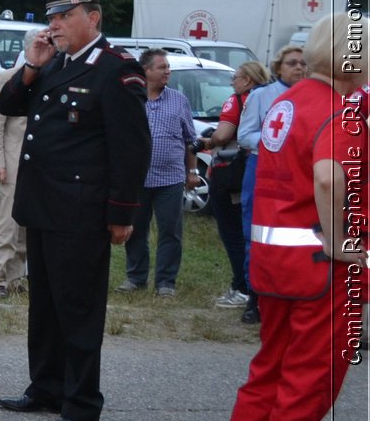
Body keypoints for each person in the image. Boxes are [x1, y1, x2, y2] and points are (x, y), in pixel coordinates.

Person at [210, 13, 367, 421]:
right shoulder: (338, 112)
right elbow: (328, 177)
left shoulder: (287, 101)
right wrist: (344, 240)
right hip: (321, 272)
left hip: (274, 265)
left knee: (269, 372)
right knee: (308, 384)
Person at [0, 0, 149, 421]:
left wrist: (122, 213)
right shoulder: (55, 62)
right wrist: (31, 64)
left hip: (82, 211)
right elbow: (10, 104)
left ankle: (81, 405)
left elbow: (132, 149)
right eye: (51, 18)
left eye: (64, 17)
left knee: (78, 310)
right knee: (45, 304)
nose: (55, 26)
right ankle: (46, 386)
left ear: (93, 18)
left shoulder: (116, 69)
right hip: (42, 205)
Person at [235, 45, 308, 323]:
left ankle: (291, 295)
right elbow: (245, 135)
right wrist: (274, 144)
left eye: (303, 63)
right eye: (292, 63)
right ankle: (255, 298)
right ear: (278, 67)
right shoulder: (261, 96)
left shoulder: (313, 97)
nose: (299, 68)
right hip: (263, 168)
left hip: (299, 171)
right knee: (256, 234)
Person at [117, 49, 199, 297]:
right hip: (137, 179)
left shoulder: (178, 100)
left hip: (170, 179)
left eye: (168, 67)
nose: (167, 71)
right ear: (146, 71)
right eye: (162, 67)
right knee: (135, 230)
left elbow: (190, 140)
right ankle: (136, 277)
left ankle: (165, 283)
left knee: (170, 231)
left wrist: (192, 171)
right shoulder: (131, 98)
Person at [201, 61, 269, 308]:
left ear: (248, 80)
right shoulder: (272, 98)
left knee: (232, 233)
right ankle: (250, 287)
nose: (232, 82)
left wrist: (206, 141)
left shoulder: (238, 100)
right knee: (251, 233)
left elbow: (222, 135)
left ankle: (242, 287)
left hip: (230, 173)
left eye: (236, 78)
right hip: (259, 170)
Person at [0, 56, 29, 298]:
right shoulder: (6, 78)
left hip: (37, 167)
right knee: (8, 224)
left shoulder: (50, 79)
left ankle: (16, 277)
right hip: (11, 165)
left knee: (27, 224)